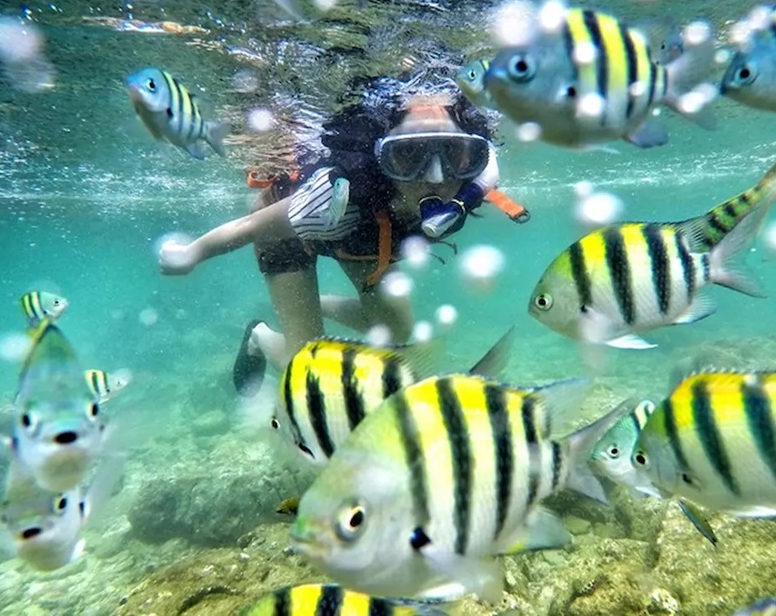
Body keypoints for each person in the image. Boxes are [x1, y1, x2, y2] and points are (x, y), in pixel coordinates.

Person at [158, 76, 526, 396]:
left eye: (456, 155)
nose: (434, 177)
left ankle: (306, 305)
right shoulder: (334, 198)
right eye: (408, 155)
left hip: (366, 240)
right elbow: (251, 227)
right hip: (294, 236)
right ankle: (262, 336)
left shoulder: (466, 188)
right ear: (381, 159)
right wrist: (192, 253)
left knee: (397, 336)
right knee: (307, 371)